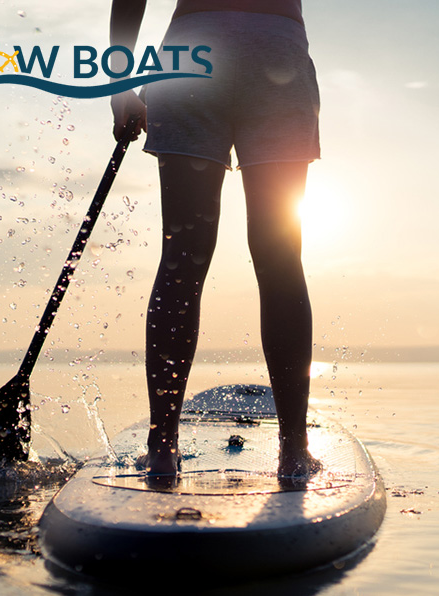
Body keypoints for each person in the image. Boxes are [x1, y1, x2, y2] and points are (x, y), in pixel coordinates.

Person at [110, 0, 320, 479]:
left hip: (190, 54)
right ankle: (293, 451)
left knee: (182, 258)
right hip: (277, 55)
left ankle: (162, 448)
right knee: (280, 258)